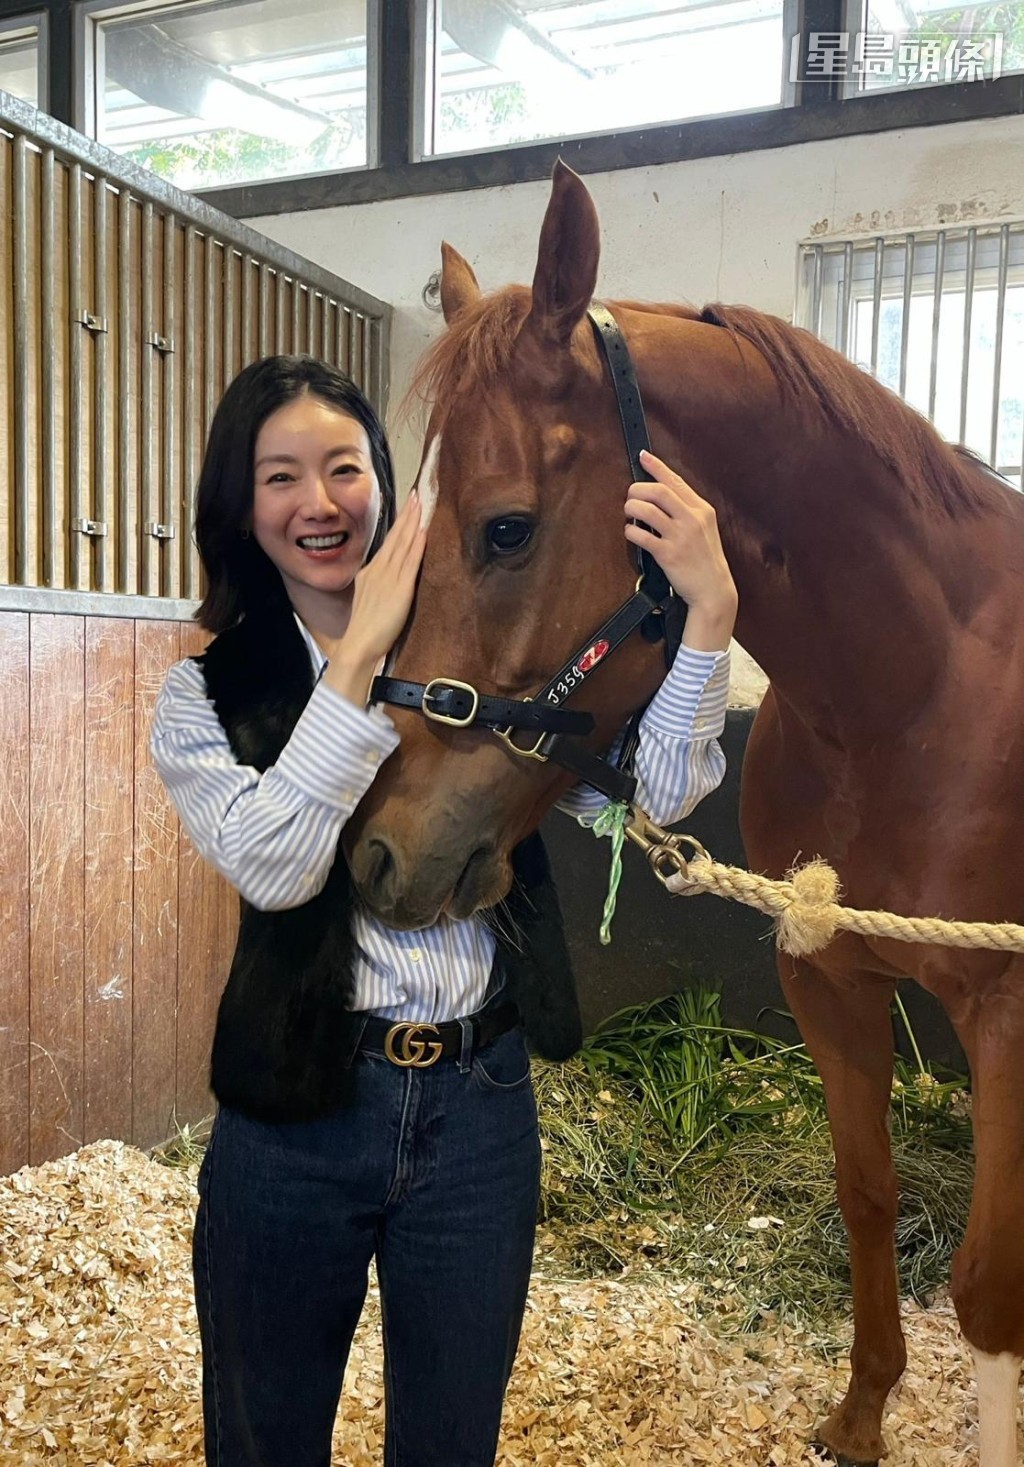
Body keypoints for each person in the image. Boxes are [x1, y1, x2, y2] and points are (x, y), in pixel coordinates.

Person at [151, 354, 738, 1467]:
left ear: (393, 482)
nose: (318, 504)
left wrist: (707, 613)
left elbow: (661, 789)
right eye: (280, 477)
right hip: (292, 1119)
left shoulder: (485, 622)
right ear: (240, 504)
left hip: (478, 1105)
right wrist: (361, 651)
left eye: (343, 469)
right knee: (262, 1439)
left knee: (453, 1442)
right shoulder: (202, 695)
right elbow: (272, 868)